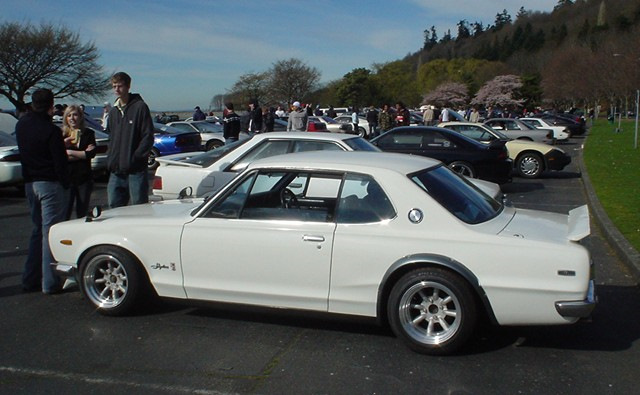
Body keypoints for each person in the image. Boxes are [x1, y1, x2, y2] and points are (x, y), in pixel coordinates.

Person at [15, 88, 70, 294]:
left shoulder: (22, 125)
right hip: (49, 183)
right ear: (50, 105)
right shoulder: (50, 130)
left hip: (30, 182)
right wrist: (66, 182)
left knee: (37, 230)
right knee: (51, 232)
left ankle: (30, 279)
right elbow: (60, 161)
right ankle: (50, 282)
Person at [105, 71, 154, 209]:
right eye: (114, 86)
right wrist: (111, 159)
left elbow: (148, 136)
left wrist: (136, 158)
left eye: (120, 86)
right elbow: (111, 137)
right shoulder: (114, 112)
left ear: (127, 87)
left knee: (139, 208)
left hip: (135, 171)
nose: (117, 90)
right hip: (116, 170)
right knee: (114, 207)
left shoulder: (140, 107)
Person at [62, 105, 96, 219]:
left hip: (83, 178)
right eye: (69, 115)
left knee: (82, 211)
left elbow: (90, 154)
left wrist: (70, 152)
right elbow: (60, 156)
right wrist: (81, 154)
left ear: (81, 117)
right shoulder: (62, 135)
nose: (72, 118)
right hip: (67, 178)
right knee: (65, 211)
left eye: (75, 115)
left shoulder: (88, 134)